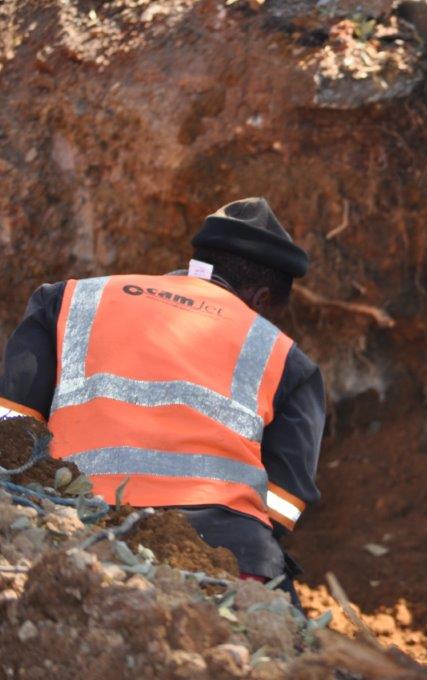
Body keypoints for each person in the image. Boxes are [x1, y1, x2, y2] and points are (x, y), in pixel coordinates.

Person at [0, 197, 325, 593]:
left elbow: (11, 431)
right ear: (261, 299)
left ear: (198, 263)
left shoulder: (67, 301)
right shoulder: (290, 361)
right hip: (223, 553)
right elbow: (283, 503)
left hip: (74, 522)